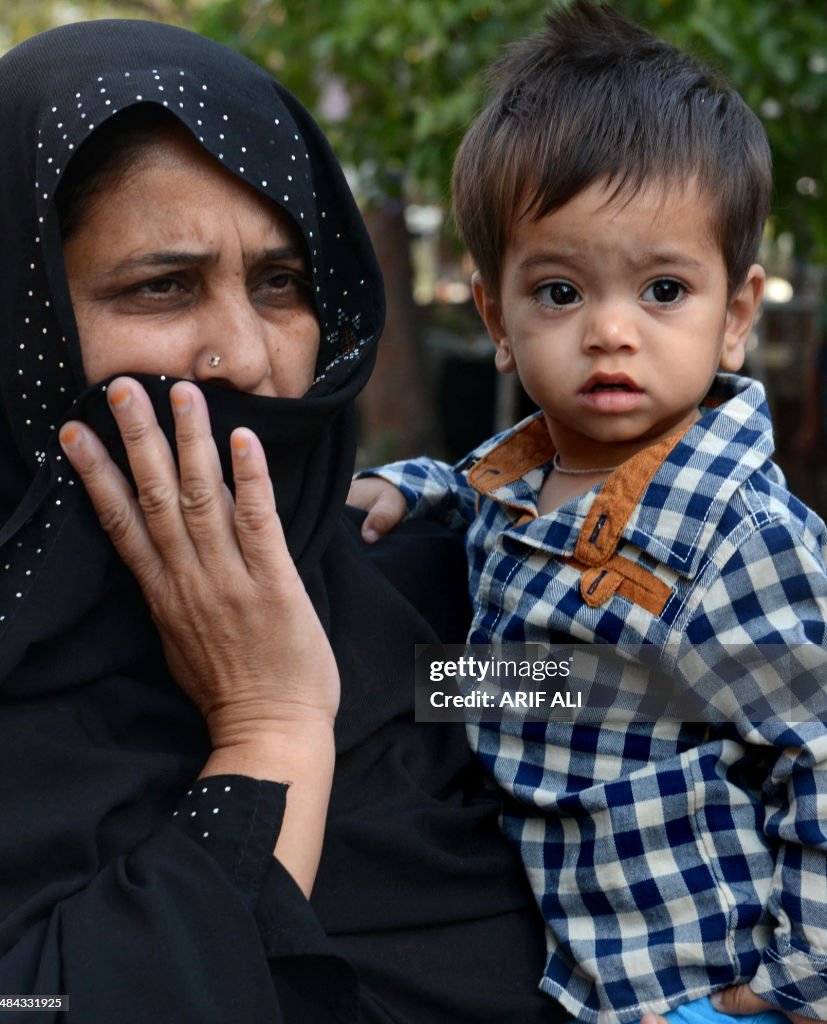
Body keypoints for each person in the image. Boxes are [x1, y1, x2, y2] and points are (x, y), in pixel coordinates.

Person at [0, 19, 568, 1023]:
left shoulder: (417, 591)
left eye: (279, 284)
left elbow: (703, 683)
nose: (247, 359)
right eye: (161, 286)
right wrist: (270, 727)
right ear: (17, 320)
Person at [348, 3, 827, 1023]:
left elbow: (815, 753)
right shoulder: (517, 477)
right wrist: (407, 487)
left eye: (663, 288)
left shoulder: (742, 534)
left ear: (735, 316)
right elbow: (537, 652)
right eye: (560, 292)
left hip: (700, 973)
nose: (611, 331)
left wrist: (798, 977)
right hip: (564, 947)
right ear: (498, 319)